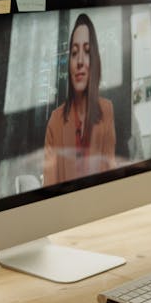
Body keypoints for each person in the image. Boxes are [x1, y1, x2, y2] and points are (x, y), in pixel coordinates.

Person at [43, 13, 117, 186]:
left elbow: (111, 178)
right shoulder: (55, 121)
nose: (80, 61)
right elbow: (49, 190)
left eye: (87, 51)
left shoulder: (106, 110)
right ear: (69, 63)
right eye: (74, 53)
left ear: (95, 60)